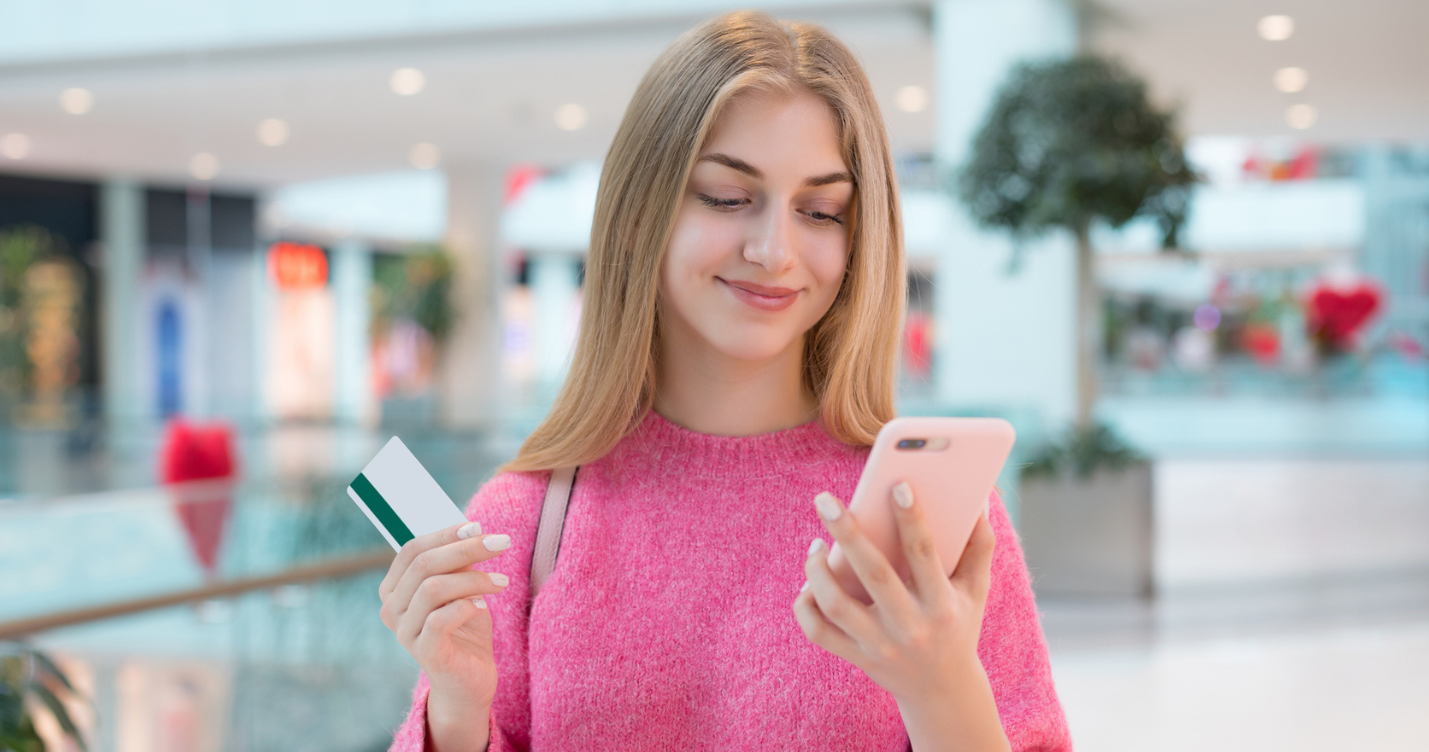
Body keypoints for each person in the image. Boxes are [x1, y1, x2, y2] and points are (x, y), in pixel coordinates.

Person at [381, 11, 1070, 752]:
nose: (774, 250)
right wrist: (455, 714)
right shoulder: (523, 522)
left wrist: (944, 691)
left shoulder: (925, 520)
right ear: (641, 214)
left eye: (819, 210)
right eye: (725, 196)